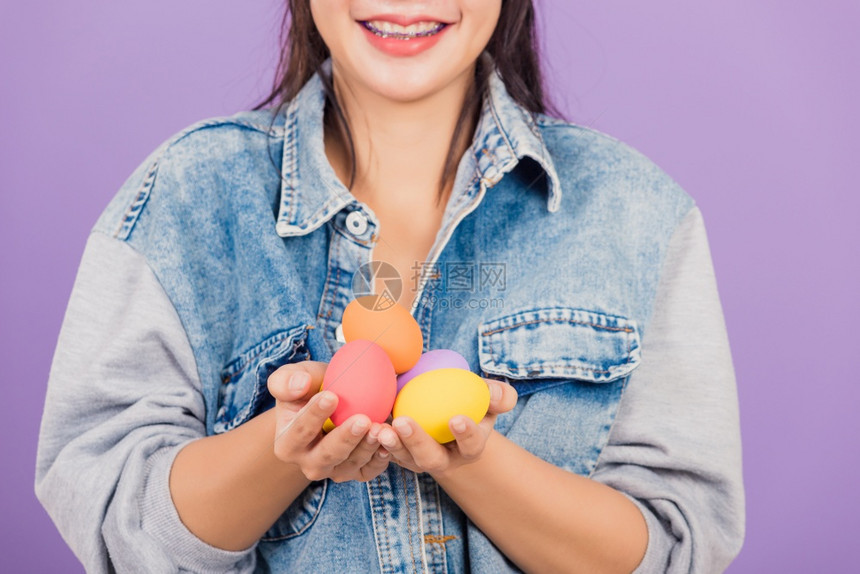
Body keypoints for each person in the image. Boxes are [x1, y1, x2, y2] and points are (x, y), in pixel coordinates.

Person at [35, 1, 745, 572]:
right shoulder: (188, 200)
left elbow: (677, 543)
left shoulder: (634, 213)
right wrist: (285, 445)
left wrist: (474, 461)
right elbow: (115, 524)